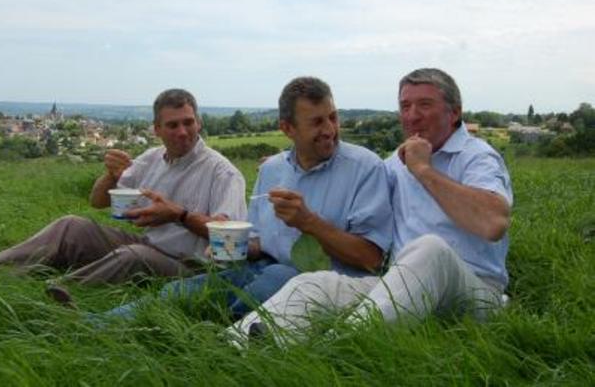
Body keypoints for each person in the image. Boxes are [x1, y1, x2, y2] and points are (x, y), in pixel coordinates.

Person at [229, 68, 513, 343]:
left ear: (455, 112)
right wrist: (287, 163)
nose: (412, 115)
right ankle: (233, 346)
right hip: (402, 286)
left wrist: (424, 170)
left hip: (473, 292)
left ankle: (338, 348)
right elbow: (352, 171)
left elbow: (493, 223)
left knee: (431, 249)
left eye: (425, 105)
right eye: (405, 106)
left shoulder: (477, 157)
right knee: (314, 284)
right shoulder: (395, 163)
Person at [99, 76, 393, 322]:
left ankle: (217, 338)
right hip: (259, 266)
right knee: (181, 292)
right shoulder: (273, 169)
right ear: (287, 129)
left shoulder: (365, 167)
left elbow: (371, 259)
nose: (329, 129)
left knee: (263, 285)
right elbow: (258, 243)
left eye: (333, 117)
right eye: (316, 122)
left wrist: (309, 222)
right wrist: (231, 245)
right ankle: (93, 325)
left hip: (321, 280)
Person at [0, 88, 247, 287]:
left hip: (189, 266)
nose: (182, 131)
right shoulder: (152, 158)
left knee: (132, 255)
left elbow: (229, 236)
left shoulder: (222, 172)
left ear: (198, 123)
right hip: (146, 243)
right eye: (173, 125)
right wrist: (110, 176)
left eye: (188, 122)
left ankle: (56, 293)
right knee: (71, 225)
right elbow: (98, 201)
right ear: (157, 129)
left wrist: (178, 215)